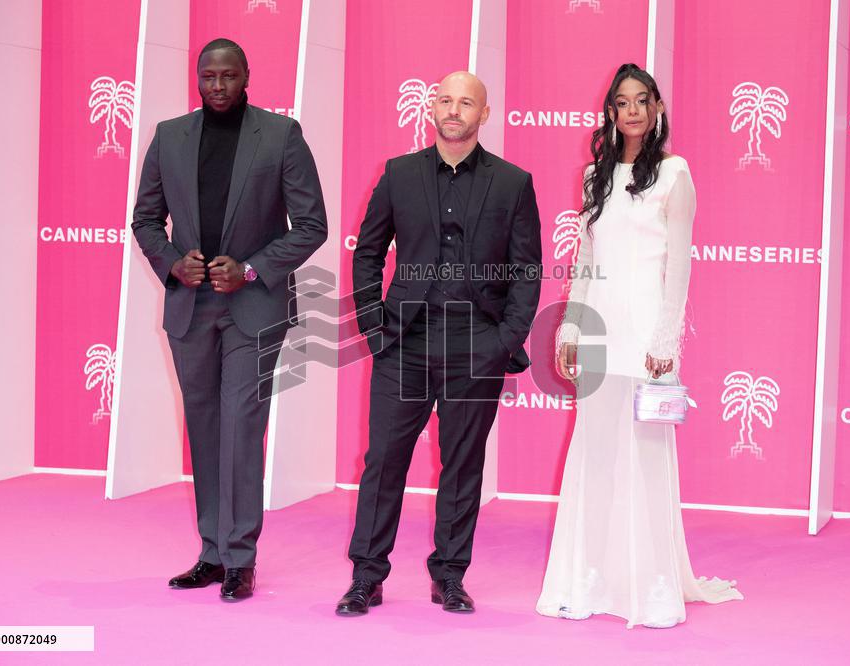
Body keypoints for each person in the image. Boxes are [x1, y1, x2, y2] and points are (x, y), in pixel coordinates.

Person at [537, 63, 742, 628]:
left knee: (647, 458)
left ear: (656, 110)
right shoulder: (594, 178)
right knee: (596, 456)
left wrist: (665, 338)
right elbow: (585, 262)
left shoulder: (675, 175)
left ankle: (651, 589)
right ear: (611, 112)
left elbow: (679, 264)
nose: (631, 110)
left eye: (641, 100)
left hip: (647, 334)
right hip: (601, 332)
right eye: (622, 102)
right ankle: (589, 582)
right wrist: (571, 327)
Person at [336, 71, 542, 616]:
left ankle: (449, 576)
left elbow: (526, 271)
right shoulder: (399, 174)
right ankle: (366, 576)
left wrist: (504, 341)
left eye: (466, 102)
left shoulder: (513, 183)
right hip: (405, 341)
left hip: (478, 344)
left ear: (485, 113)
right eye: (446, 100)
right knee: (382, 462)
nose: (455, 109)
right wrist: (372, 326)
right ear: (433, 108)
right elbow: (367, 252)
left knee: (463, 465)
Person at [131, 38, 327, 601]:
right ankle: (212, 552)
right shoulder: (170, 137)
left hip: (253, 307)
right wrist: (173, 263)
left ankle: (240, 556)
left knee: (241, 425)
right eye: (208, 77)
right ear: (198, 78)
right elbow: (145, 220)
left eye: (228, 76)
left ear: (247, 76)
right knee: (204, 427)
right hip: (190, 308)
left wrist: (252, 269)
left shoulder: (281, 135)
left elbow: (312, 224)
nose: (217, 86)